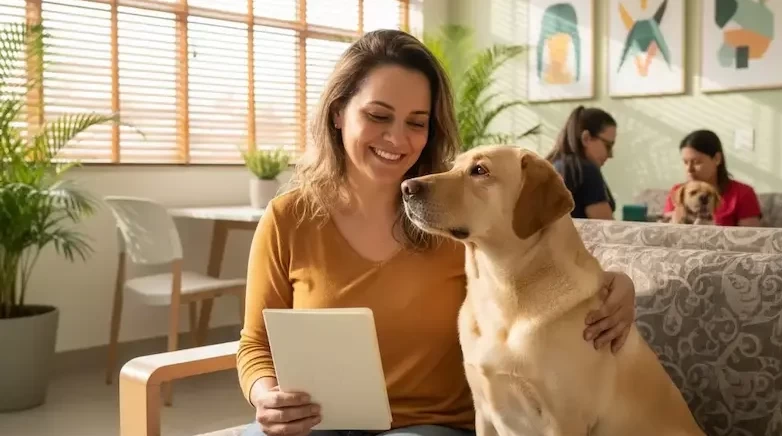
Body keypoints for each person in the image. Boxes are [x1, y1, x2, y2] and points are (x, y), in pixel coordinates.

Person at [237, 29, 638, 436]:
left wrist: (618, 286)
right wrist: (266, 396)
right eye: (378, 116)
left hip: (433, 427)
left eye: (417, 122)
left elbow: (544, 280)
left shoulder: (460, 221)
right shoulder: (288, 217)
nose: (397, 138)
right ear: (339, 113)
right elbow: (255, 344)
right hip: (319, 423)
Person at [663, 129, 761, 227]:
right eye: (685, 162)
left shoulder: (742, 193)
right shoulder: (678, 191)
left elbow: (750, 237)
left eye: (697, 162)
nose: (689, 169)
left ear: (717, 159)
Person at [545, 106, 618, 220]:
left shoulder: (553, 164)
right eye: (608, 146)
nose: (610, 155)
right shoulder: (586, 170)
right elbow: (607, 230)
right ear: (586, 138)